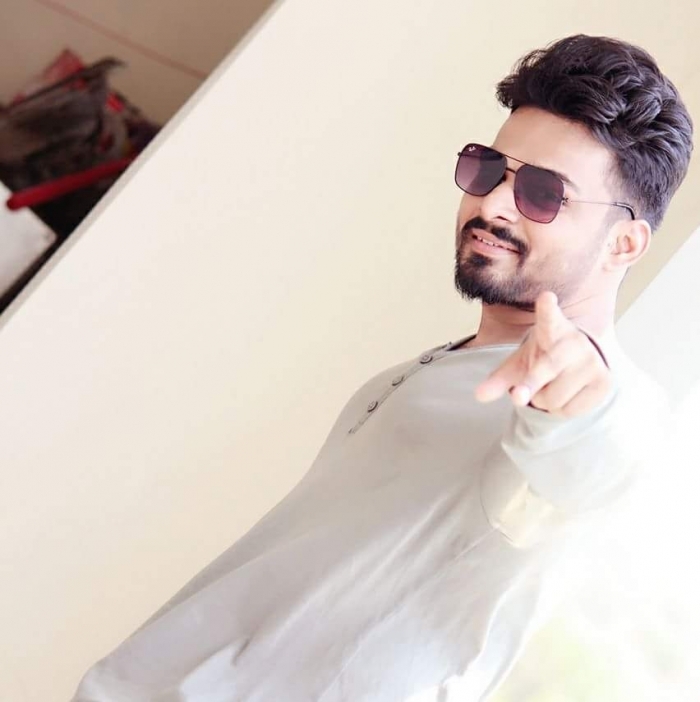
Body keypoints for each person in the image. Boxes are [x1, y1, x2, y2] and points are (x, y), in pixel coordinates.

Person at [71, 34, 692, 702]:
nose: (493, 205)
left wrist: (580, 407)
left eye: (544, 194)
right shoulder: (464, 359)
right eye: (490, 169)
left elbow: (589, 455)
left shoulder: (592, 403)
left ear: (624, 243)